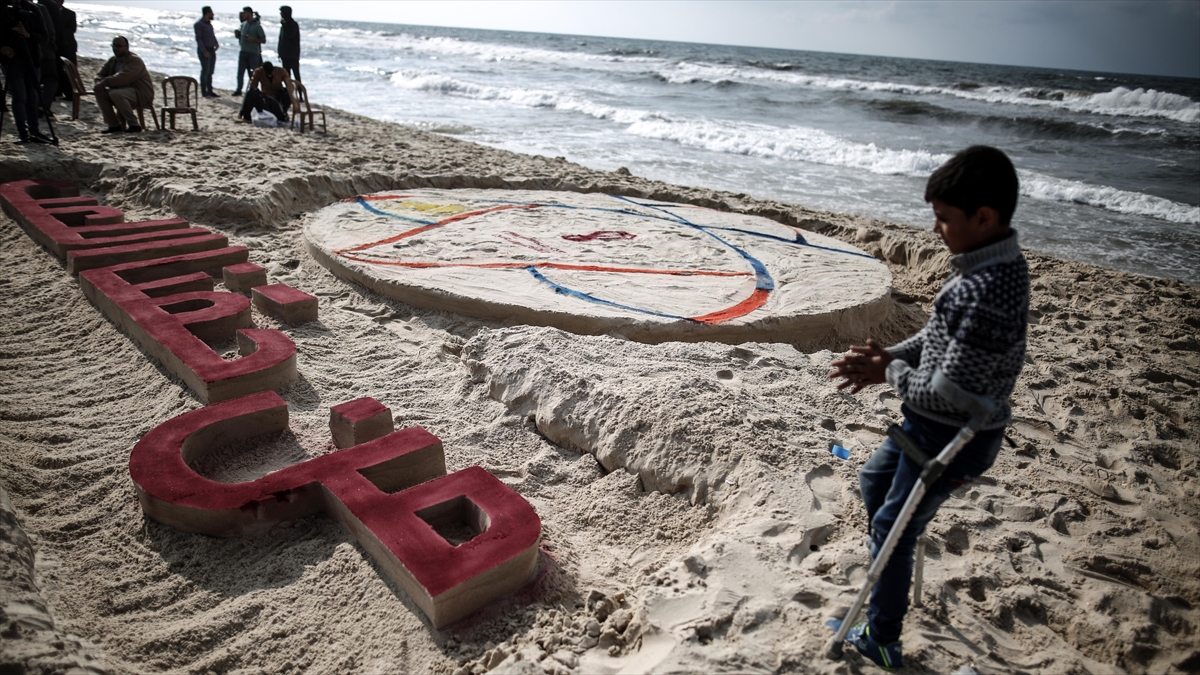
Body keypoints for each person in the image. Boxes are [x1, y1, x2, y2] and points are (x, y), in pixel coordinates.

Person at [829, 145, 1028, 671]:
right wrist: (893, 355)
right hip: (927, 425)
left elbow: (950, 391)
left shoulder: (990, 290)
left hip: (953, 436)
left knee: (893, 528)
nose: (935, 229)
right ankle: (891, 570)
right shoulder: (981, 266)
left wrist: (887, 372)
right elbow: (937, 338)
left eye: (943, 218)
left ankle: (882, 637)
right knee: (874, 483)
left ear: (983, 218)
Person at [0, 0, 52, 143]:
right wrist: (1, 47)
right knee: (19, 96)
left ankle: (34, 131)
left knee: (32, 97)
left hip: (31, 59)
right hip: (11, 60)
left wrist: (27, 34)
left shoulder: (33, 9)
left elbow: (44, 36)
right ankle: (22, 133)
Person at [92, 35, 154, 133]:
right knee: (100, 93)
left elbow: (124, 77)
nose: (116, 48)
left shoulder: (135, 60)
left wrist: (105, 82)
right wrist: (98, 83)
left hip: (140, 93)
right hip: (121, 92)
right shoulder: (113, 60)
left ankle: (134, 124)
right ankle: (114, 125)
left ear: (127, 47)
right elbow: (100, 74)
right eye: (114, 46)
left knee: (115, 94)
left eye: (119, 46)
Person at [237, 59, 289, 124]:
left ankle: (284, 112)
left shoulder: (281, 71)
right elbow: (253, 86)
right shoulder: (258, 72)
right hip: (266, 96)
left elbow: (289, 84)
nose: (269, 75)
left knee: (288, 95)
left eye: (271, 73)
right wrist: (256, 91)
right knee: (250, 94)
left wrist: (285, 90)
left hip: (278, 94)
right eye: (267, 74)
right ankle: (246, 116)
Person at [232, 6, 264, 96]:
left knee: (253, 74)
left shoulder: (257, 26)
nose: (243, 15)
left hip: (253, 53)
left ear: (250, 13)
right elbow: (239, 34)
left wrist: (253, 39)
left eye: (245, 13)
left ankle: (253, 90)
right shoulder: (243, 24)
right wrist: (237, 34)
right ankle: (239, 90)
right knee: (240, 73)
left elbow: (263, 40)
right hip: (243, 51)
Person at [50, 0, 74, 100]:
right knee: (57, 69)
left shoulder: (70, 13)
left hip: (67, 45)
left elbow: (72, 29)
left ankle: (70, 93)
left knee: (69, 70)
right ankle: (58, 91)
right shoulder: (50, 12)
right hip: (56, 45)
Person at [193, 5, 218, 97]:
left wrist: (216, 43)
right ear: (207, 13)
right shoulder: (199, 24)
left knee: (210, 72)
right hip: (205, 50)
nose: (213, 14)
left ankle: (210, 91)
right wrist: (204, 51)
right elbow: (198, 39)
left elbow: (212, 35)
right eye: (211, 12)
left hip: (211, 50)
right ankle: (204, 92)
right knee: (205, 72)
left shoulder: (209, 24)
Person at [277, 5, 299, 83]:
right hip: (284, 54)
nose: (281, 14)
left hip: (292, 55)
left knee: (296, 75)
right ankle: (289, 90)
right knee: (286, 76)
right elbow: (281, 40)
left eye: (282, 13)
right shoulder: (284, 26)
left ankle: (299, 90)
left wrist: (284, 25)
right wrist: (279, 52)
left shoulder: (293, 24)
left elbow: (289, 35)